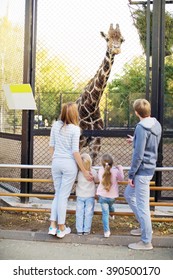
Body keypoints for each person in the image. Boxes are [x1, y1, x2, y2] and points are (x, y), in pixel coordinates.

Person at [48, 102, 93, 239]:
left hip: (56, 163)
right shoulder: (75, 129)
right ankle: (61, 228)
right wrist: (84, 171)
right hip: (68, 165)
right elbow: (75, 152)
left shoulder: (55, 125)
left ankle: (52, 225)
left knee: (58, 194)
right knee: (63, 196)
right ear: (74, 113)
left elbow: (51, 146)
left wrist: (56, 159)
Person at [124, 98, 162, 250]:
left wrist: (131, 174)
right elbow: (149, 143)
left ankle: (146, 241)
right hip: (149, 168)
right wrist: (135, 140)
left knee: (143, 206)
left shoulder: (141, 127)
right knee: (128, 194)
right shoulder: (155, 124)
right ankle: (144, 226)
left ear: (136, 112)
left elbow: (138, 155)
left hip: (142, 171)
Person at [96, 153, 124, 238]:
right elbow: (121, 179)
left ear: (102, 163)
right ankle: (112, 214)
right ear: (112, 162)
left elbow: (98, 179)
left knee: (105, 213)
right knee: (111, 205)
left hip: (102, 196)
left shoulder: (100, 170)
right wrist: (121, 169)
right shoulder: (115, 171)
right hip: (112, 197)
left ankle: (106, 231)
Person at [75, 153, 99, 236]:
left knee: (79, 213)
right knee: (88, 213)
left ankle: (79, 229)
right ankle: (86, 230)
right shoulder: (93, 172)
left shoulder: (78, 172)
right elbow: (96, 180)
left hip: (80, 195)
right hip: (90, 196)